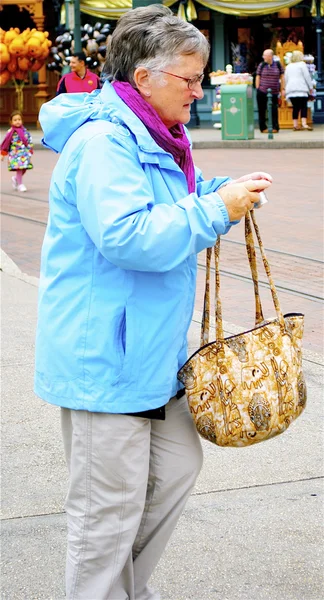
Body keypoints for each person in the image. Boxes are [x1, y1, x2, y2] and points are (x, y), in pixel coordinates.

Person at [34, 6, 272, 599]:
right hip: (107, 360)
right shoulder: (103, 143)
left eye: (200, 78)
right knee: (105, 513)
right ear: (144, 77)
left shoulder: (151, 131)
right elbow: (130, 236)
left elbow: (174, 199)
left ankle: (124, 590)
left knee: (175, 471)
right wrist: (216, 210)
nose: (200, 90)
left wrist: (220, 191)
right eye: (189, 79)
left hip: (149, 356)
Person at [0, 109, 33, 192]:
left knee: (24, 169)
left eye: (19, 119)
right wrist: (3, 154)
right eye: (15, 120)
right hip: (15, 154)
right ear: (11, 122)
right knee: (19, 169)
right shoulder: (10, 132)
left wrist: (30, 150)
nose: (17, 121)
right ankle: (20, 185)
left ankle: (15, 179)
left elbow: (29, 140)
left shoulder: (25, 131)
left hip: (24, 154)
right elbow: (5, 143)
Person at [255, 49, 285, 133]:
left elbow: (282, 77)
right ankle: (263, 127)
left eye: (265, 55)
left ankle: (275, 127)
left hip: (274, 91)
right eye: (263, 55)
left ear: (270, 56)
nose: (263, 57)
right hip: (262, 91)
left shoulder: (278, 65)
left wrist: (282, 89)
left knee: (274, 110)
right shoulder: (261, 65)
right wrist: (258, 88)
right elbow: (258, 76)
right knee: (262, 110)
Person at [284, 50, 314, 131]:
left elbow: (286, 79)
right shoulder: (302, 65)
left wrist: (286, 88)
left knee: (295, 107)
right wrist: (310, 87)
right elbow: (307, 76)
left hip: (291, 90)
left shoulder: (288, 66)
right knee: (303, 106)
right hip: (301, 88)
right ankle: (304, 123)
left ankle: (295, 125)